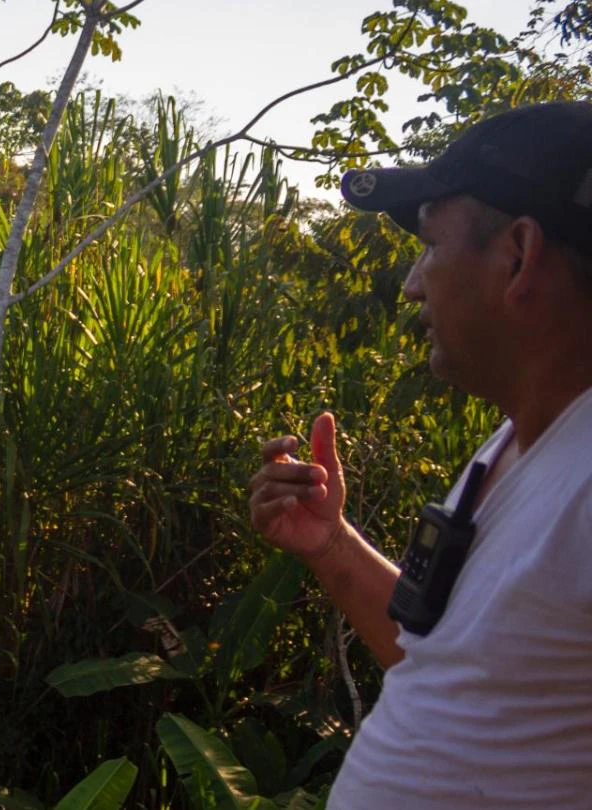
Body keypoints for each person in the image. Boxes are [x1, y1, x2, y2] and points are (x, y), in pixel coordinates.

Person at [247, 101, 592, 807]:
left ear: (519, 255)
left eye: (431, 245)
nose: (411, 282)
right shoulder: (520, 448)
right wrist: (333, 545)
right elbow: (444, 664)